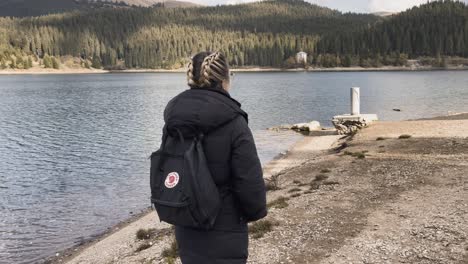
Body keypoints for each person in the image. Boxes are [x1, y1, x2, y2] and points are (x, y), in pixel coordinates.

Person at [161, 51, 267, 263]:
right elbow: (249, 181)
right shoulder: (234, 121)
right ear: (224, 79)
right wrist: (256, 211)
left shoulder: (174, 119)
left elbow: (168, 168)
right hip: (225, 228)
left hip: (186, 225)